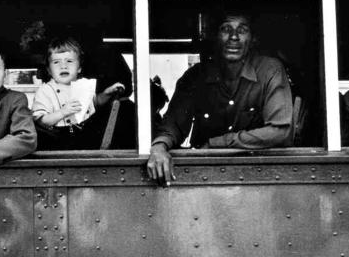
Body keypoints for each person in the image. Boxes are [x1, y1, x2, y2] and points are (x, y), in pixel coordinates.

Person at [147, 11, 293, 185]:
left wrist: (216, 143)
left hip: (257, 176)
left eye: (242, 30)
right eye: (226, 29)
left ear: (253, 39)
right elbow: (173, 124)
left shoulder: (270, 71)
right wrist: (159, 147)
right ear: (215, 37)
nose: (234, 37)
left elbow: (281, 131)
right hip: (205, 177)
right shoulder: (195, 76)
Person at [31, 37, 125, 149]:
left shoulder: (83, 86)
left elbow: (94, 103)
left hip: (84, 134)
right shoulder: (45, 91)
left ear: (79, 68)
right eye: (56, 62)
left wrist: (107, 93)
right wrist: (63, 112)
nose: (63, 66)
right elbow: (42, 121)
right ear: (49, 70)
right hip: (57, 138)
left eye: (69, 61)